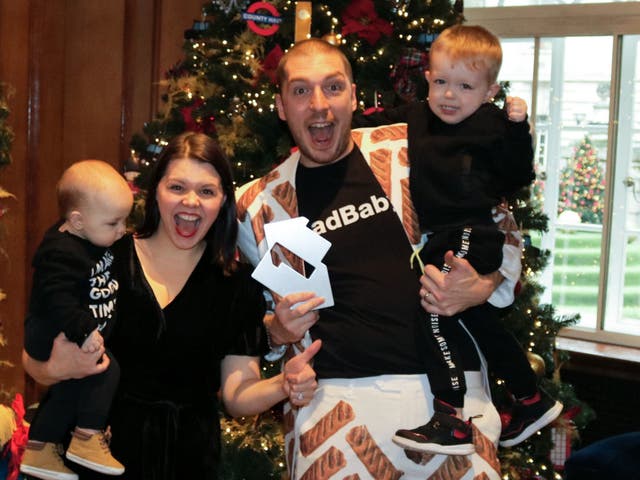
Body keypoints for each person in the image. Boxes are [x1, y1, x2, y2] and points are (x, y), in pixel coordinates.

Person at [236, 38, 519, 479]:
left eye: (332, 87)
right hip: (335, 417)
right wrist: (276, 331)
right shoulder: (264, 204)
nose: (318, 105)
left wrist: (482, 286)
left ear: (353, 95)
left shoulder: (409, 149)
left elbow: (499, 221)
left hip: (453, 405)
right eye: (300, 91)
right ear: (280, 106)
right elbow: (271, 325)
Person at [22, 132, 321, 480]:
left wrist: (285, 384)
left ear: (223, 201)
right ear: (156, 192)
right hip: (90, 457)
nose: (191, 202)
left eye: (207, 191)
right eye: (177, 187)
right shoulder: (106, 256)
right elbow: (34, 356)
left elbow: (236, 395)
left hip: (187, 461)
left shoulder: (236, 284)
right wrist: (57, 368)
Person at [352, 24, 562, 455]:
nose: (450, 95)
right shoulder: (417, 115)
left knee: (433, 309)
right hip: (442, 236)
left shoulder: (492, 124)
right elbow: (366, 124)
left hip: (473, 233)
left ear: (489, 90)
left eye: (465, 86)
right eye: (442, 81)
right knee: (478, 319)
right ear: (428, 76)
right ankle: (530, 398)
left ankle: (451, 418)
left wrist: (519, 128)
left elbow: (519, 175)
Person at [21, 160, 133, 480]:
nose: (122, 230)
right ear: (78, 221)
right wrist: (84, 330)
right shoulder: (62, 252)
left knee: (70, 391)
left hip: (71, 329)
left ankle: (40, 449)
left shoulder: (96, 238)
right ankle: (87, 436)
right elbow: (58, 297)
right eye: (113, 223)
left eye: (125, 220)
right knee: (106, 370)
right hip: (53, 330)